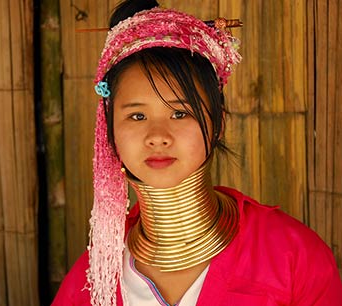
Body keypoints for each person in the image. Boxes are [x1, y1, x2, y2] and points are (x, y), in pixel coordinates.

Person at [52, 0, 342, 305]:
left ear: (218, 123)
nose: (157, 137)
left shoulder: (294, 258)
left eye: (180, 114)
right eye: (137, 116)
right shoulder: (92, 279)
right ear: (109, 131)